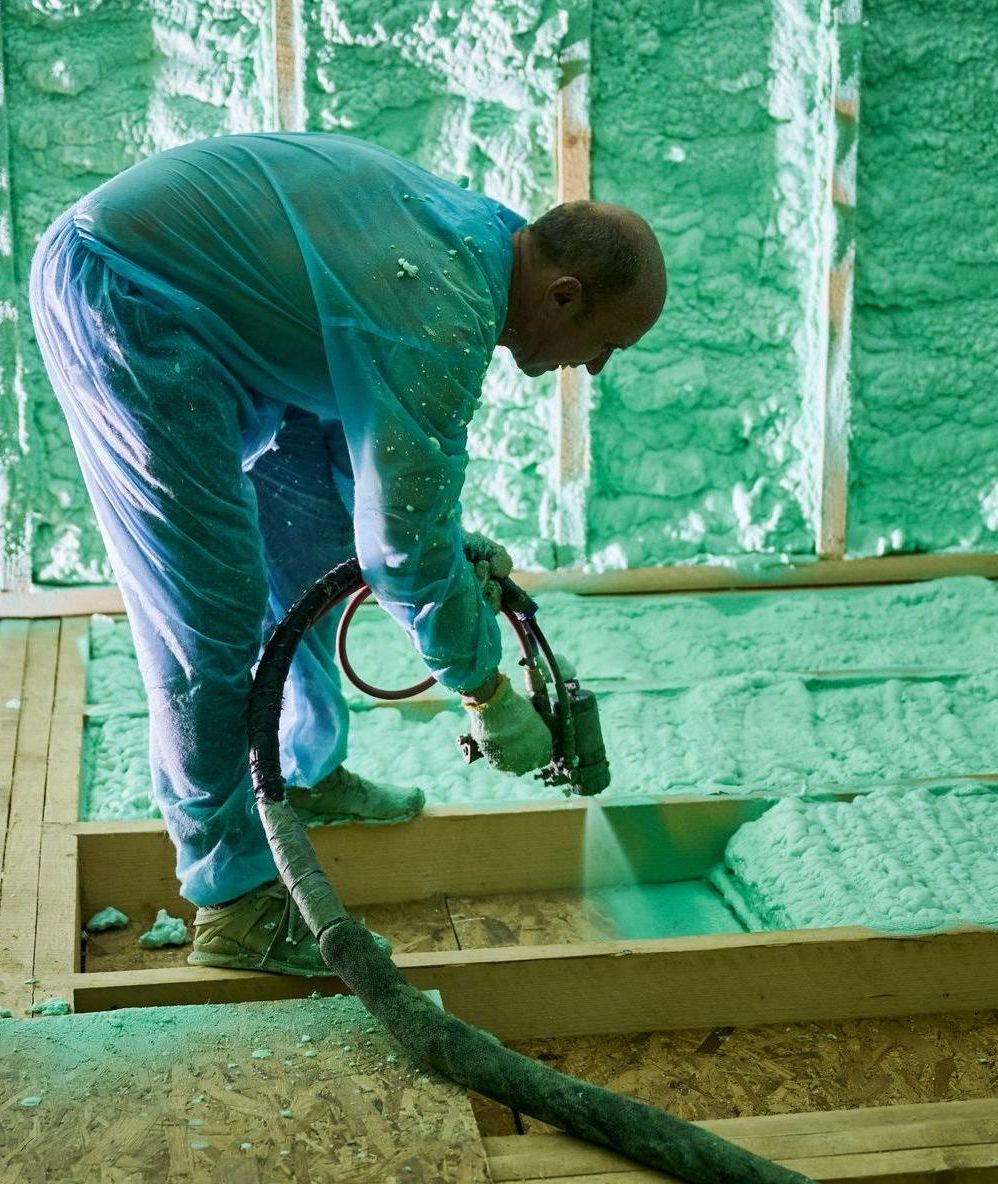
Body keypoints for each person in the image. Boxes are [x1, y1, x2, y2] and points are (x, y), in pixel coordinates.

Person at [29, 132, 666, 976]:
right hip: (127, 295)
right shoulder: (443, 303)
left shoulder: (484, 246)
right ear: (563, 294)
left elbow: (381, 486)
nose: (596, 367)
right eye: (606, 343)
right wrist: (484, 689)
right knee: (208, 612)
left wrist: (440, 544)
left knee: (311, 551)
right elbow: (403, 545)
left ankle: (300, 771)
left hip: (199, 304)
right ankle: (231, 904)